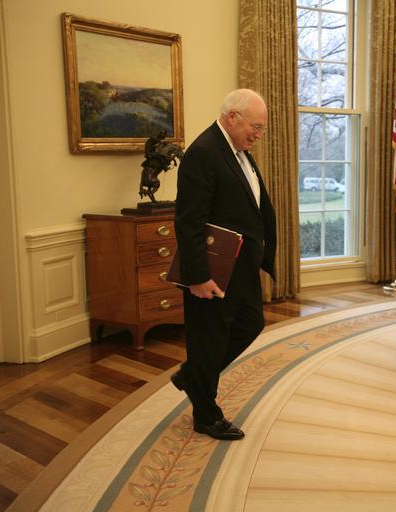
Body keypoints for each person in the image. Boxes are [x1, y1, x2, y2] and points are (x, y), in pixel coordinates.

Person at [172, 89, 276, 440]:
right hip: (213, 270)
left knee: (250, 323)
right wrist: (198, 277)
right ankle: (206, 415)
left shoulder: (237, 150)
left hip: (240, 267)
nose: (258, 135)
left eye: (261, 129)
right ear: (233, 117)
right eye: (256, 127)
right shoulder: (203, 152)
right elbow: (189, 221)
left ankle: (192, 376)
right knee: (209, 339)